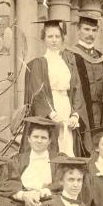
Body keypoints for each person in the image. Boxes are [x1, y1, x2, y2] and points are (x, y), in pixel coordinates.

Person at [23, 18, 87, 157]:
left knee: (67, 145)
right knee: (52, 144)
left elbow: (77, 88)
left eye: (57, 36)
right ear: (43, 39)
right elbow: (38, 93)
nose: (54, 40)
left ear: (62, 38)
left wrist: (75, 115)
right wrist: (51, 114)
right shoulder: (38, 63)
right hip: (50, 110)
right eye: (50, 36)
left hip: (66, 106)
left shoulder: (69, 62)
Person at [0, 117, 64, 206]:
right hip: (22, 205)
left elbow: (62, 182)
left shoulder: (58, 159)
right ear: (28, 138)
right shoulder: (17, 159)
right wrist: (24, 196)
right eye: (35, 136)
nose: (39, 140)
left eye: (43, 137)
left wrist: (40, 193)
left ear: (50, 140)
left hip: (49, 202)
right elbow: (8, 182)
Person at [69, 15, 103, 156]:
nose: (90, 34)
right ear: (78, 30)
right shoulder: (70, 55)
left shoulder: (102, 57)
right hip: (81, 110)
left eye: (94, 30)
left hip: (101, 112)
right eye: (86, 29)